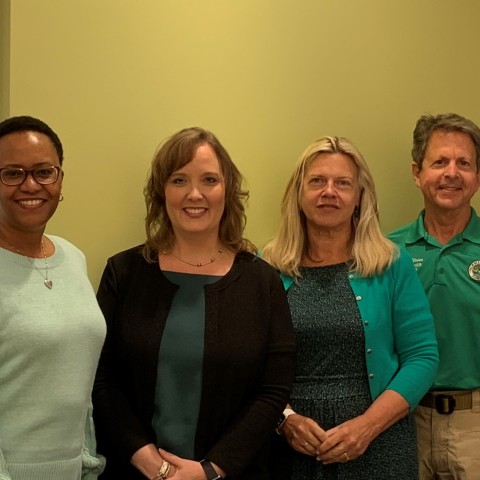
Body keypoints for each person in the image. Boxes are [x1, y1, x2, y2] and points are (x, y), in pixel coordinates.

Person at [92, 127, 295, 480]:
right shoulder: (123, 274)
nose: (195, 194)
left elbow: (272, 390)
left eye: (209, 180)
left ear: (228, 190)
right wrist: (154, 466)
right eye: (179, 180)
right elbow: (101, 379)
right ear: (161, 192)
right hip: (135, 472)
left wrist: (211, 470)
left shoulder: (262, 281)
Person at [263, 135, 439, 479]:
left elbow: (422, 356)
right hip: (290, 447)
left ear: (359, 197)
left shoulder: (391, 263)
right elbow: (250, 364)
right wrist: (285, 421)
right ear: (298, 195)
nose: (329, 191)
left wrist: (366, 427)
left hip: (379, 443)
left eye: (343, 183)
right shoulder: (266, 269)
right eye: (317, 181)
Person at [0, 115, 106, 479]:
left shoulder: (72, 257)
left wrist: (87, 461)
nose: (31, 185)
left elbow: (79, 381)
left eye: (44, 172)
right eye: (12, 173)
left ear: (60, 179)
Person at [389, 113, 480, 479]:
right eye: (439, 162)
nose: (451, 173)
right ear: (416, 173)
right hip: (401, 422)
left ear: (478, 176)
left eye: (464, 163)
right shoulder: (385, 251)